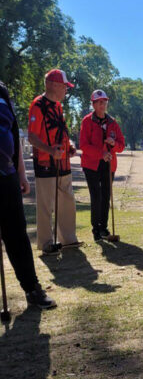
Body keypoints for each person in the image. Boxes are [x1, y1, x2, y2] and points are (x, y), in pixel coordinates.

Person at [0, 81, 57, 309]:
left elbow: (12, 133)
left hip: (7, 175)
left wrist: (22, 174)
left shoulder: (2, 91)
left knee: (17, 235)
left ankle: (32, 288)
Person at [27, 69, 82, 254]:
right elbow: (32, 137)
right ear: (53, 85)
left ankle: (68, 239)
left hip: (63, 163)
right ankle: (46, 243)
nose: (66, 91)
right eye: (64, 87)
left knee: (68, 202)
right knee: (45, 206)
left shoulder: (58, 107)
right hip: (45, 163)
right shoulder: (38, 105)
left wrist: (71, 145)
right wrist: (51, 151)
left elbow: (62, 132)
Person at [79, 90, 125, 241]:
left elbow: (121, 145)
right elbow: (84, 145)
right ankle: (95, 229)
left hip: (109, 164)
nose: (103, 104)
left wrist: (114, 144)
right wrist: (101, 154)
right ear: (93, 104)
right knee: (96, 196)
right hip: (91, 164)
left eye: (104, 101)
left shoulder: (113, 122)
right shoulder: (87, 121)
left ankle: (104, 227)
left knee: (106, 196)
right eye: (99, 102)